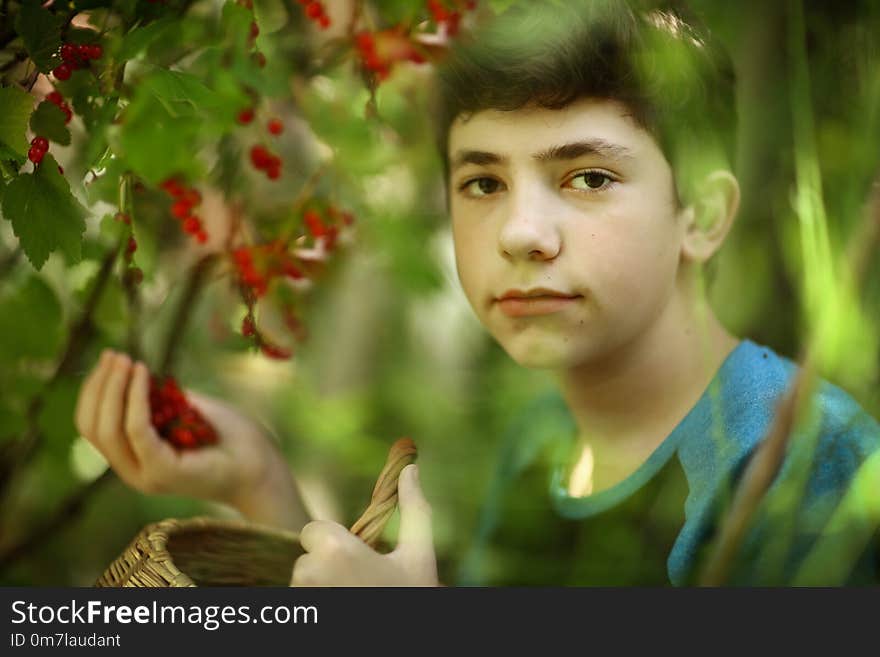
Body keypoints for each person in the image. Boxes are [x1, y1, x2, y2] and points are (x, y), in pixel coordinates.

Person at [75, 0, 879, 586]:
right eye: (484, 180)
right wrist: (258, 477)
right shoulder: (544, 446)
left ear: (701, 214)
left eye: (588, 176)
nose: (521, 233)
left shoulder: (793, 467)